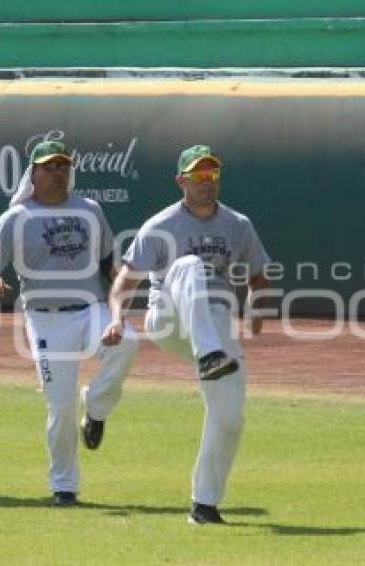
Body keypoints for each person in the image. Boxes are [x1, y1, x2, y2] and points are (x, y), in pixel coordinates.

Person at [102, 144, 270, 525]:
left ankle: (204, 505)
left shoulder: (237, 224)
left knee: (229, 416)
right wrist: (116, 319)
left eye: (212, 174)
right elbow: (124, 283)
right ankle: (209, 355)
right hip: (167, 318)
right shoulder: (161, 225)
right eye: (198, 175)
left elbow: (260, 276)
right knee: (191, 265)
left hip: (215, 321)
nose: (207, 181)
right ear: (182, 181)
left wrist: (257, 308)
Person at [0, 140, 137, 507]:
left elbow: (109, 258)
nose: (58, 172)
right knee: (60, 407)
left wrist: (121, 287)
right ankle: (64, 486)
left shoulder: (90, 209)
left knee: (127, 341)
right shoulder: (17, 217)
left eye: (64, 166)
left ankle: (95, 409)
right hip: (46, 320)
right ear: (32, 173)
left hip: (90, 306)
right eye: (49, 166)